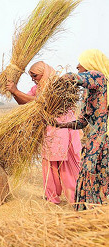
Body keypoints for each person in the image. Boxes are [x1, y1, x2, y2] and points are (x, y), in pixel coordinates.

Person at [6, 61, 82, 205]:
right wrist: (13, 92)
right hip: (49, 131)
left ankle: (74, 197)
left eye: (35, 75)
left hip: (63, 128)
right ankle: (52, 197)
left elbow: (42, 102)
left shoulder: (57, 86)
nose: (33, 79)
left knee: (65, 164)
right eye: (32, 76)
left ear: (44, 72)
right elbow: (24, 102)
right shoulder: (37, 88)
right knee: (49, 163)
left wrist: (16, 91)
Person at [56, 49, 109, 211]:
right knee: (88, 173)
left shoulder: (98, 77)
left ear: (90, 64)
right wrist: (62, 125)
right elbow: (83, 121)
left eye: (81, 62)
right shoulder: (90, 90)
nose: (78, 65)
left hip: (103, 139)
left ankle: (98, 213)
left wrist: (58, 81)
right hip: (92, 140)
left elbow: (73, 78)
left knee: (96, 173)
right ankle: (90, 215)